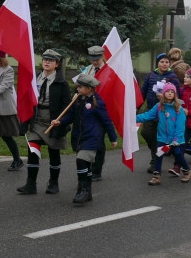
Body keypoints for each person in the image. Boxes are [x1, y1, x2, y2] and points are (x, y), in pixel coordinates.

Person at [53, 74, 117, 205]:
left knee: (81, 160)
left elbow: (107, 121)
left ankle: (82, 190)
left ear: (89, 89)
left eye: (80, 86)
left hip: (92, 138)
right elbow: (70, 116)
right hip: (79, 138)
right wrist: (60, 122)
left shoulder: (97, 103)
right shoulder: (77, 100)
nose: (77, 88)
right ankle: (87, 192)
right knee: (86, 165)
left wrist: (113, 138)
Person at [16, 48, 71, 196]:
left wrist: (61, 121)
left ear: (57, 65)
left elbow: (67, 105)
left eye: (51, 60)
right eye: (45, 59)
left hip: (53, 120)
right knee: (33, 149)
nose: (47, 62)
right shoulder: (35, 78)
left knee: (54, 152)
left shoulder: (61, 83)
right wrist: (24, 123)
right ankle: (31, 184)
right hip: (37, 118)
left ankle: (53, 183)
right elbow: (28, 101)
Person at [137, 83, 190, 185]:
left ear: (175, 94)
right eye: (167, 92)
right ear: (163, 93)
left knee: (178, 154)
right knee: (159, 154)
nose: (170, 94)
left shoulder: (179, 109)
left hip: (176, 139)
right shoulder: (159, 107)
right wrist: (134, 118)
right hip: (162, 138)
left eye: (172, 92)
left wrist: (176, 139)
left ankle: (187, 170)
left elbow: (180, 126)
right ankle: (156, 176)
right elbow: (147, 115)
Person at [139, 54, 180, 157]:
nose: (165, 64)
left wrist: (164, 98)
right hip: (151, 109)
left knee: (161, 137)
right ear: (157, 63)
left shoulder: (173, 77)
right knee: (146, 133)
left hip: (165, 110)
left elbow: (176, 95)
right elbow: (143, 92)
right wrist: (138, 106)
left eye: (167, 62)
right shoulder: (151, 75)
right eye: (162, 62)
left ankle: (156, 160)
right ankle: (158, 150)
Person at [82, 45, 108, 181]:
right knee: (89, 137)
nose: (95, 62)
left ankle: (97, 170)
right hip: (88, 109)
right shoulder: (88, 69)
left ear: (102, 56)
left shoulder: (109, 70)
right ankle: (88, 166)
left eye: (97, 59)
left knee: (99, 139)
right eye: (92, 59)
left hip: (103, 109)